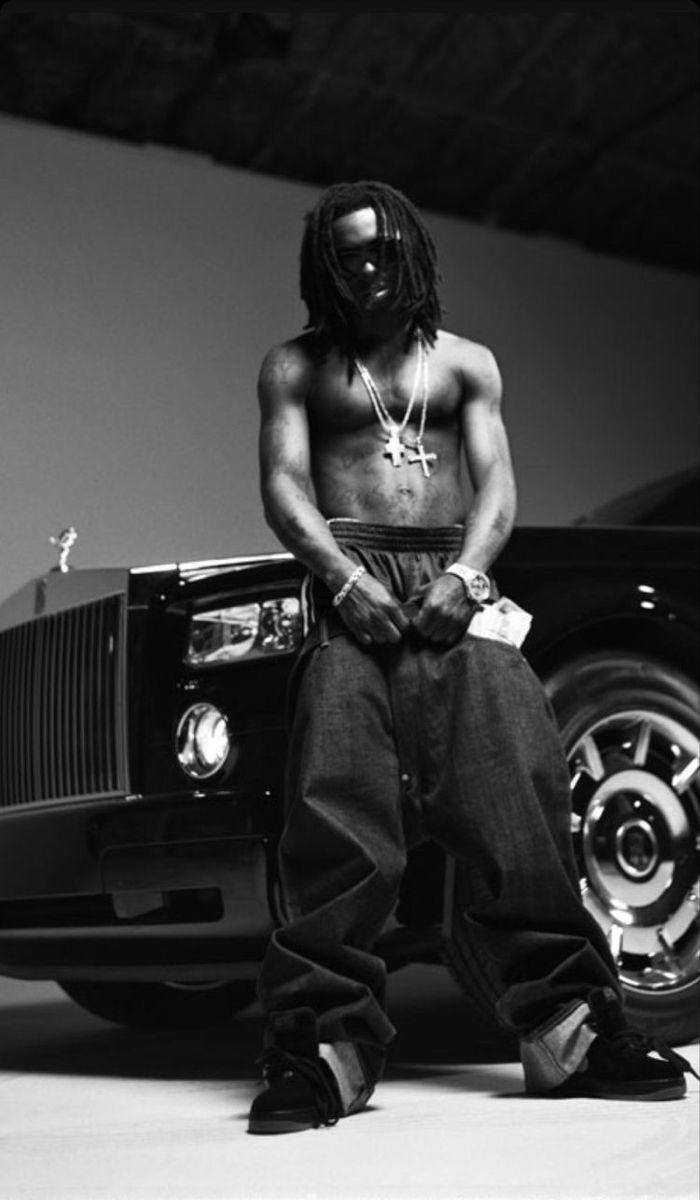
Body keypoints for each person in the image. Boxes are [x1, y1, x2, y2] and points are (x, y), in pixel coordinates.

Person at [248, 180, 695, 1135]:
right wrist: (341, 579)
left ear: (412, 251)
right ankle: (326, 1047)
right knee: (337, 799)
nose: (366, 269)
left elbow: (497, 487)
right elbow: (284, 485)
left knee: (515, 793)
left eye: (380, 250)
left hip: (455, 582)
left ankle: (568, 1032)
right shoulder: (295, 367)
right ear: (322, 266)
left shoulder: (465, 365)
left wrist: (467, 573)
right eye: (347, 254)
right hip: (350, 579)